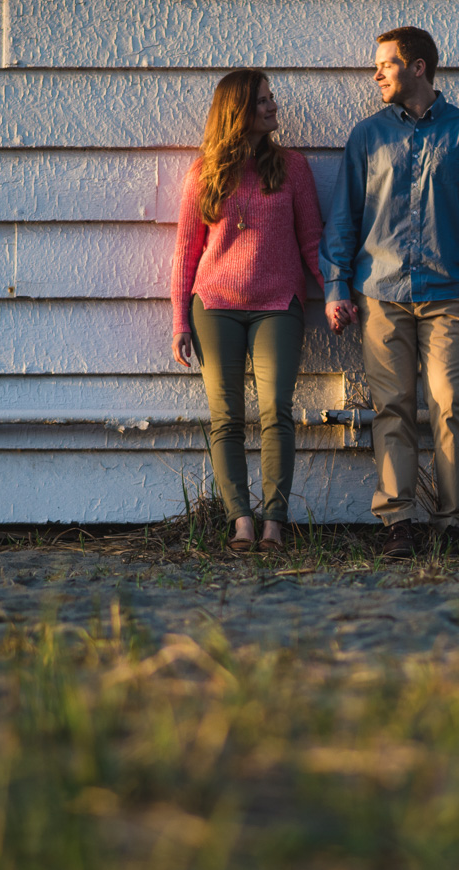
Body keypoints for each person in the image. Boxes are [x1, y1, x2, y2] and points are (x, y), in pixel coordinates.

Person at [320, 25, 459, 559]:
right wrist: (336, 286)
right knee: (392, 409)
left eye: (386, 64)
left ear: (418, 67)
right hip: (380, 293)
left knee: (450, 407)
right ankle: (397, 522)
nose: (375, 73)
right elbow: (343, 220)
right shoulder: (367, 136)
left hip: (451, 294)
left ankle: (455, 524)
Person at [172, 69, 326, 552]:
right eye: (263, 100)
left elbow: (313, 243)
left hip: (278, 305)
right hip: (214, 307)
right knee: (227, 417)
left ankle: (274, 523)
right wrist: (180, 319)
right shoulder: (203, 173)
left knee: (277, 411)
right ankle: (240, 520)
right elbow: (185, 253)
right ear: (238, 111)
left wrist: (336, 293)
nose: (273, 106)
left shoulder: (292, 167)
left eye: (271, 97)